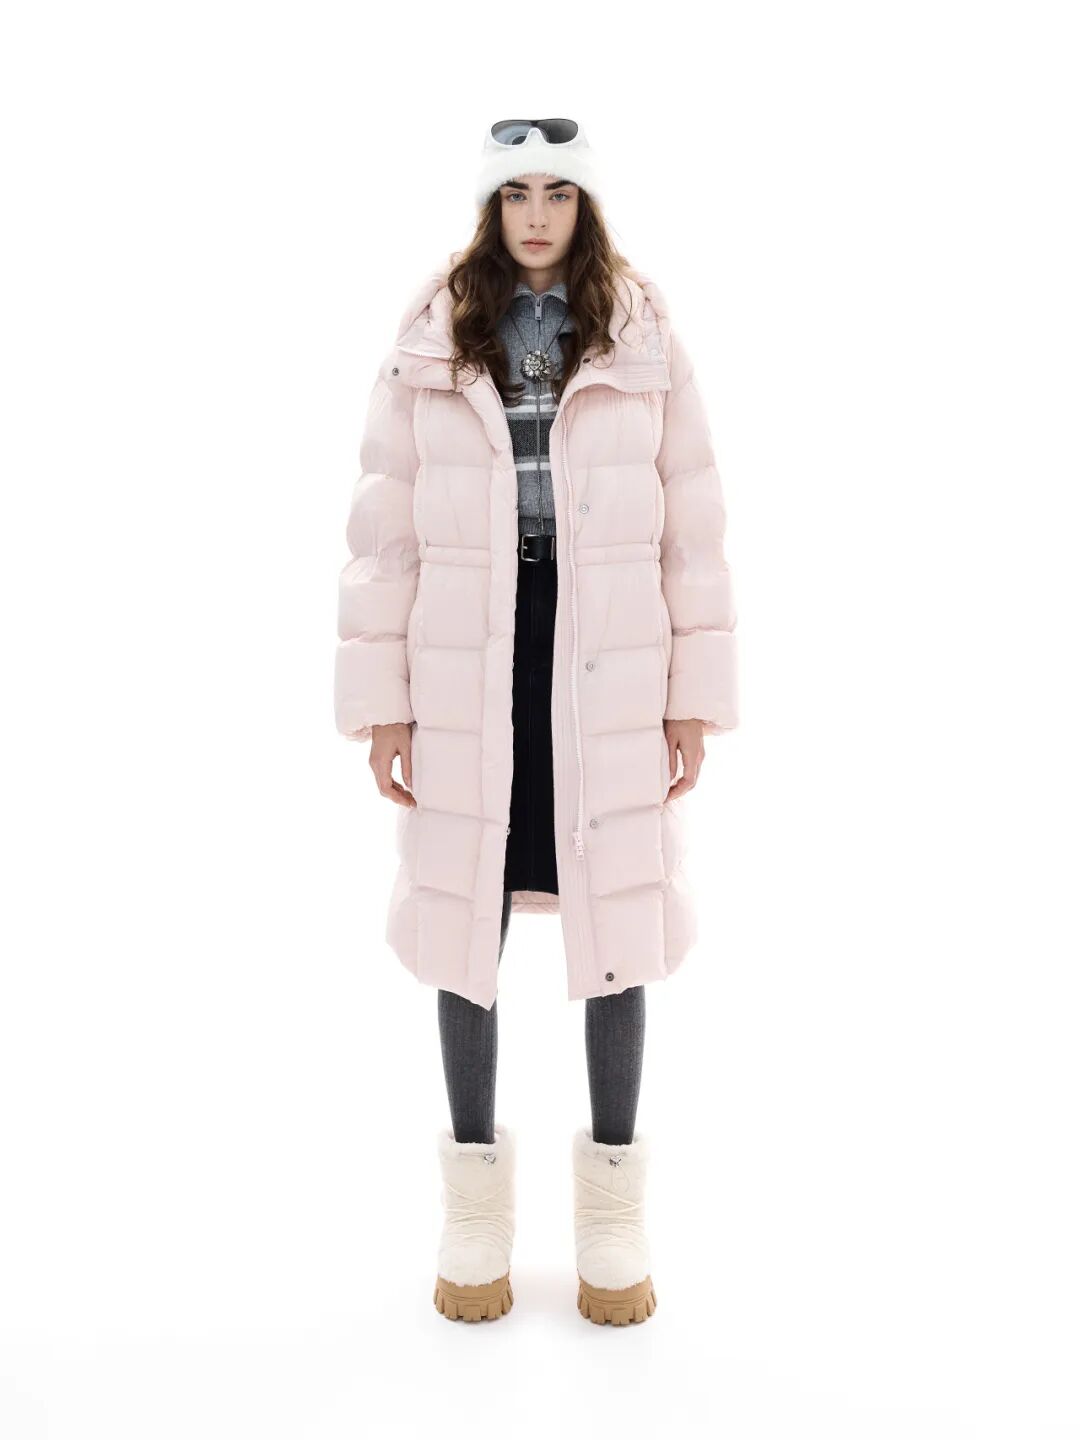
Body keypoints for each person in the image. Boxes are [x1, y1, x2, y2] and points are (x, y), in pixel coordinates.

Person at [333, 120, 738, 1325]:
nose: (540, 214)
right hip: (470, 648)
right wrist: (382, 706)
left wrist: (692, 695)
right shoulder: (433, 332)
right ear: (491, 205)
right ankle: (473, 1207)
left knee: (621, 909)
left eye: (560, 192)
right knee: (466, 910)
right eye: (519, 193)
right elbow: (385, 531)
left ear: (587, 205)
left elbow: (692, 523)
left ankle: (613, 1214)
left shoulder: (642, 332)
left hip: (607, 647)